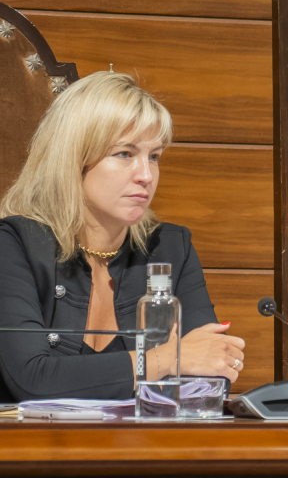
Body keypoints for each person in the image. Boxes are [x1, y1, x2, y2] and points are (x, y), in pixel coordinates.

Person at [0, 72, 246, 402]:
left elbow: (210, 372)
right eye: (125, 154)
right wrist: (165, 360)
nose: (146, 175)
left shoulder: (171, 247)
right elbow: (32, 380)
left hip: (148, 450)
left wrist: (192, 360)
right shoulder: (13, 244)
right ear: (73, 160)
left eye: (154, 156)